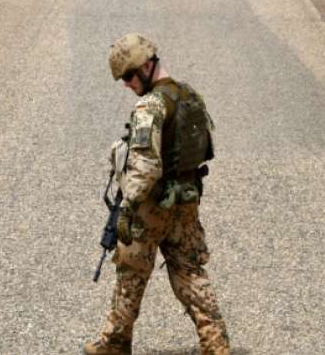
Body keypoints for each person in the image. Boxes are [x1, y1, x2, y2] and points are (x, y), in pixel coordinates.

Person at [85, 33, 231, 355]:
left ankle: (115, 342)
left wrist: (127, 208)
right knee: (189, 270)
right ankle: (216, 343)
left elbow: (147, 166)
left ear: (147, 66)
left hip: (151, 205)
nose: (125, 84)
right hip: (185, 200)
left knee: (131, 272)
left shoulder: (150, 106)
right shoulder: (189, 95)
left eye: (127, 76)